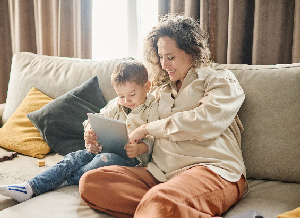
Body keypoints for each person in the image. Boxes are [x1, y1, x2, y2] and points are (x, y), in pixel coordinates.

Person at [79, 14, 248, 218]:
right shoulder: (159, 92)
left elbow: (205, 122)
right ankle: (161, 209)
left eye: (171, 57)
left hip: (212, 170)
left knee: (159, 199)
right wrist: (96, 135)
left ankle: (160, 206)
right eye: (160, 57)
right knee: (91, 182)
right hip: (160, 174)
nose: (164, 65)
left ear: (192, 53)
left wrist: (148, 128)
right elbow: (123, 114)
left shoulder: (220, 80)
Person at [0, 60, 159, 203]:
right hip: (104, 150)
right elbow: (96, 118)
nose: (126, 101)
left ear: (147, 87)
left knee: (104, 159)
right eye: (121, 96)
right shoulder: (116, 104)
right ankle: (29, 187)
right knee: (74, 157)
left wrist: (140, 148)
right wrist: (90, 129)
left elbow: (154, 137)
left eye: (131, 94)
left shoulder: (153, 108)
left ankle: (63, 180)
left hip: (132, 162)